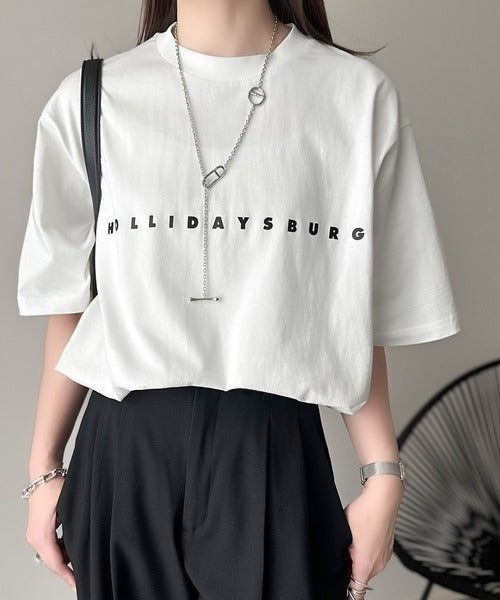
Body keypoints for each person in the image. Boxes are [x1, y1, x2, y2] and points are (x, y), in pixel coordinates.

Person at [17, 1, 461, 599]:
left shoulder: (355, 97)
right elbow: (70, 302)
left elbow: (348, 305)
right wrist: (43, 469)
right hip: (125, 453)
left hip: (273, 449)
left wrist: (383, 475)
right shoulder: (90, 100)